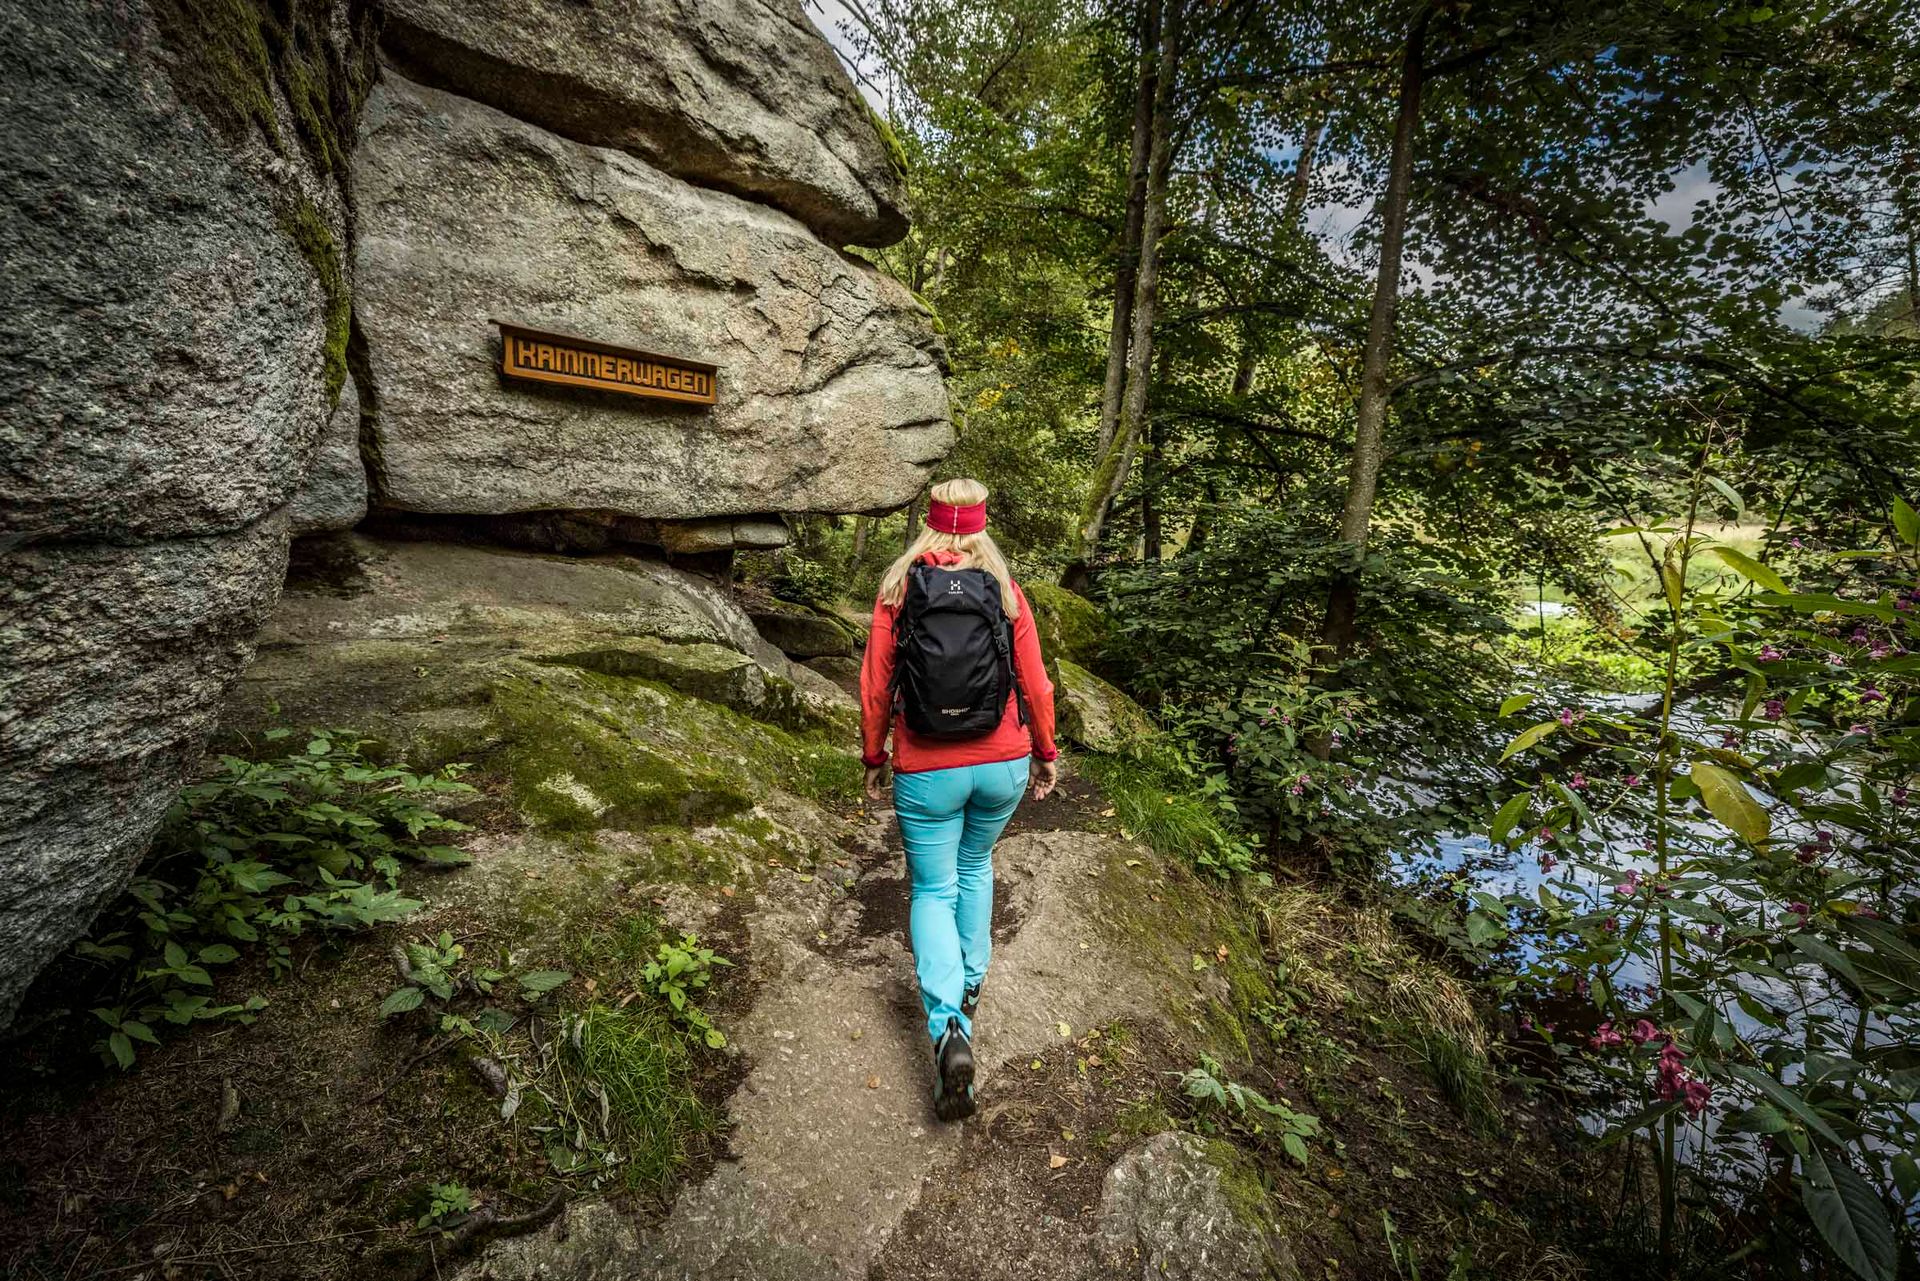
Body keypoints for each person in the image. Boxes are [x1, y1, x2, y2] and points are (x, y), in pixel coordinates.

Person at [859, 478, 1059, 1122]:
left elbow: (874, 685)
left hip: (926, 767)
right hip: (1002, 762)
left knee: (932, 888)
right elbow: (1037, 683)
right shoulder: (1004, 591)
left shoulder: (899, 590)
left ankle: (949, 1028)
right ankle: (971, 982)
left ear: (928, 523)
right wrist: (1047, 754)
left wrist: (873, 758)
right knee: (976, 865)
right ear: (980, 524)